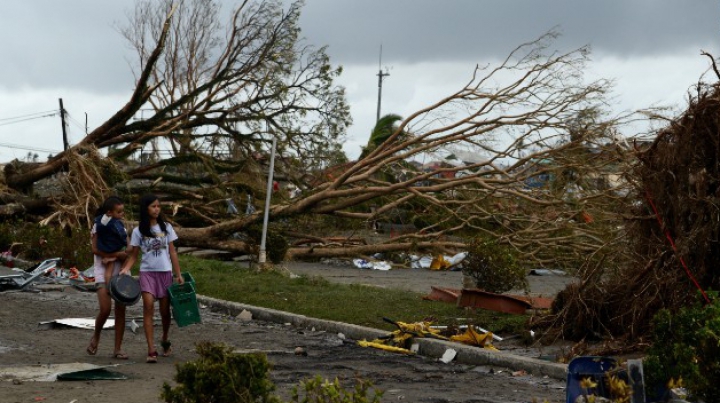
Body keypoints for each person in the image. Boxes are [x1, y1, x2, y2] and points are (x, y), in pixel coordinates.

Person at [120, 194, 184, 363]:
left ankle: (164, 338)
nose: (156, 209)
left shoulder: (167, 228)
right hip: (147, 273)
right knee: (148, 306)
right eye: (153, 206)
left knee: (164, 312)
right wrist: (126, 269)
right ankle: (151, 349)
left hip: (165, 273)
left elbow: (172, 252)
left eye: (158, 206)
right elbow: (134, 255)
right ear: (145, 208)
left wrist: (178, 274)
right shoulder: (138, 231)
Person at [87, 196, 130, 359]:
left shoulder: (121, 228)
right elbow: (95, 249)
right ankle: (96, 335)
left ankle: (117, 348)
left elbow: (128, 247)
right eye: (119, 211)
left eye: (122, 211)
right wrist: (113, 255)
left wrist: (123, 256)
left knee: (121, 309)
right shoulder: (98, 227)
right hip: (101, 269)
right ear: (109, 212)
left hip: (120, 270)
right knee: (105, 309)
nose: (122, 214)